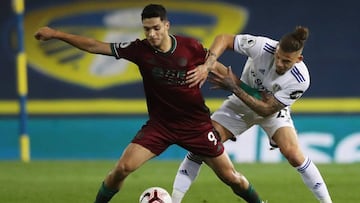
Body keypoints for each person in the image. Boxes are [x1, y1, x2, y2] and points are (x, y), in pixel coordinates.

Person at [34, 4, 267, 203]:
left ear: (166, 25)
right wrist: (57, 34)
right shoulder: (139, 50)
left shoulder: (190, 47)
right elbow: (96, 46)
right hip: (160, 126)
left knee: (230, 177)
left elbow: (218, 69)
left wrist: (248, 92)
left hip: (196, 126)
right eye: (147, 30)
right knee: (122, 169)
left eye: (156, 28)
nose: (152, 34)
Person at [172, 26, 333, 203]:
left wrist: (234, 86)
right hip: (238, 105)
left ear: (298, 59)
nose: (279, 63)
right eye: (278, 57)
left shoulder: (300, 79)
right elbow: (224, 38)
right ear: (277, 48)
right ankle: (174, 200)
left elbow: (265, 109)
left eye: (286, 61)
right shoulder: (263, 47)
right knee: (201, 146)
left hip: (271, 112)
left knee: (294, 154)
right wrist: (209, 65)